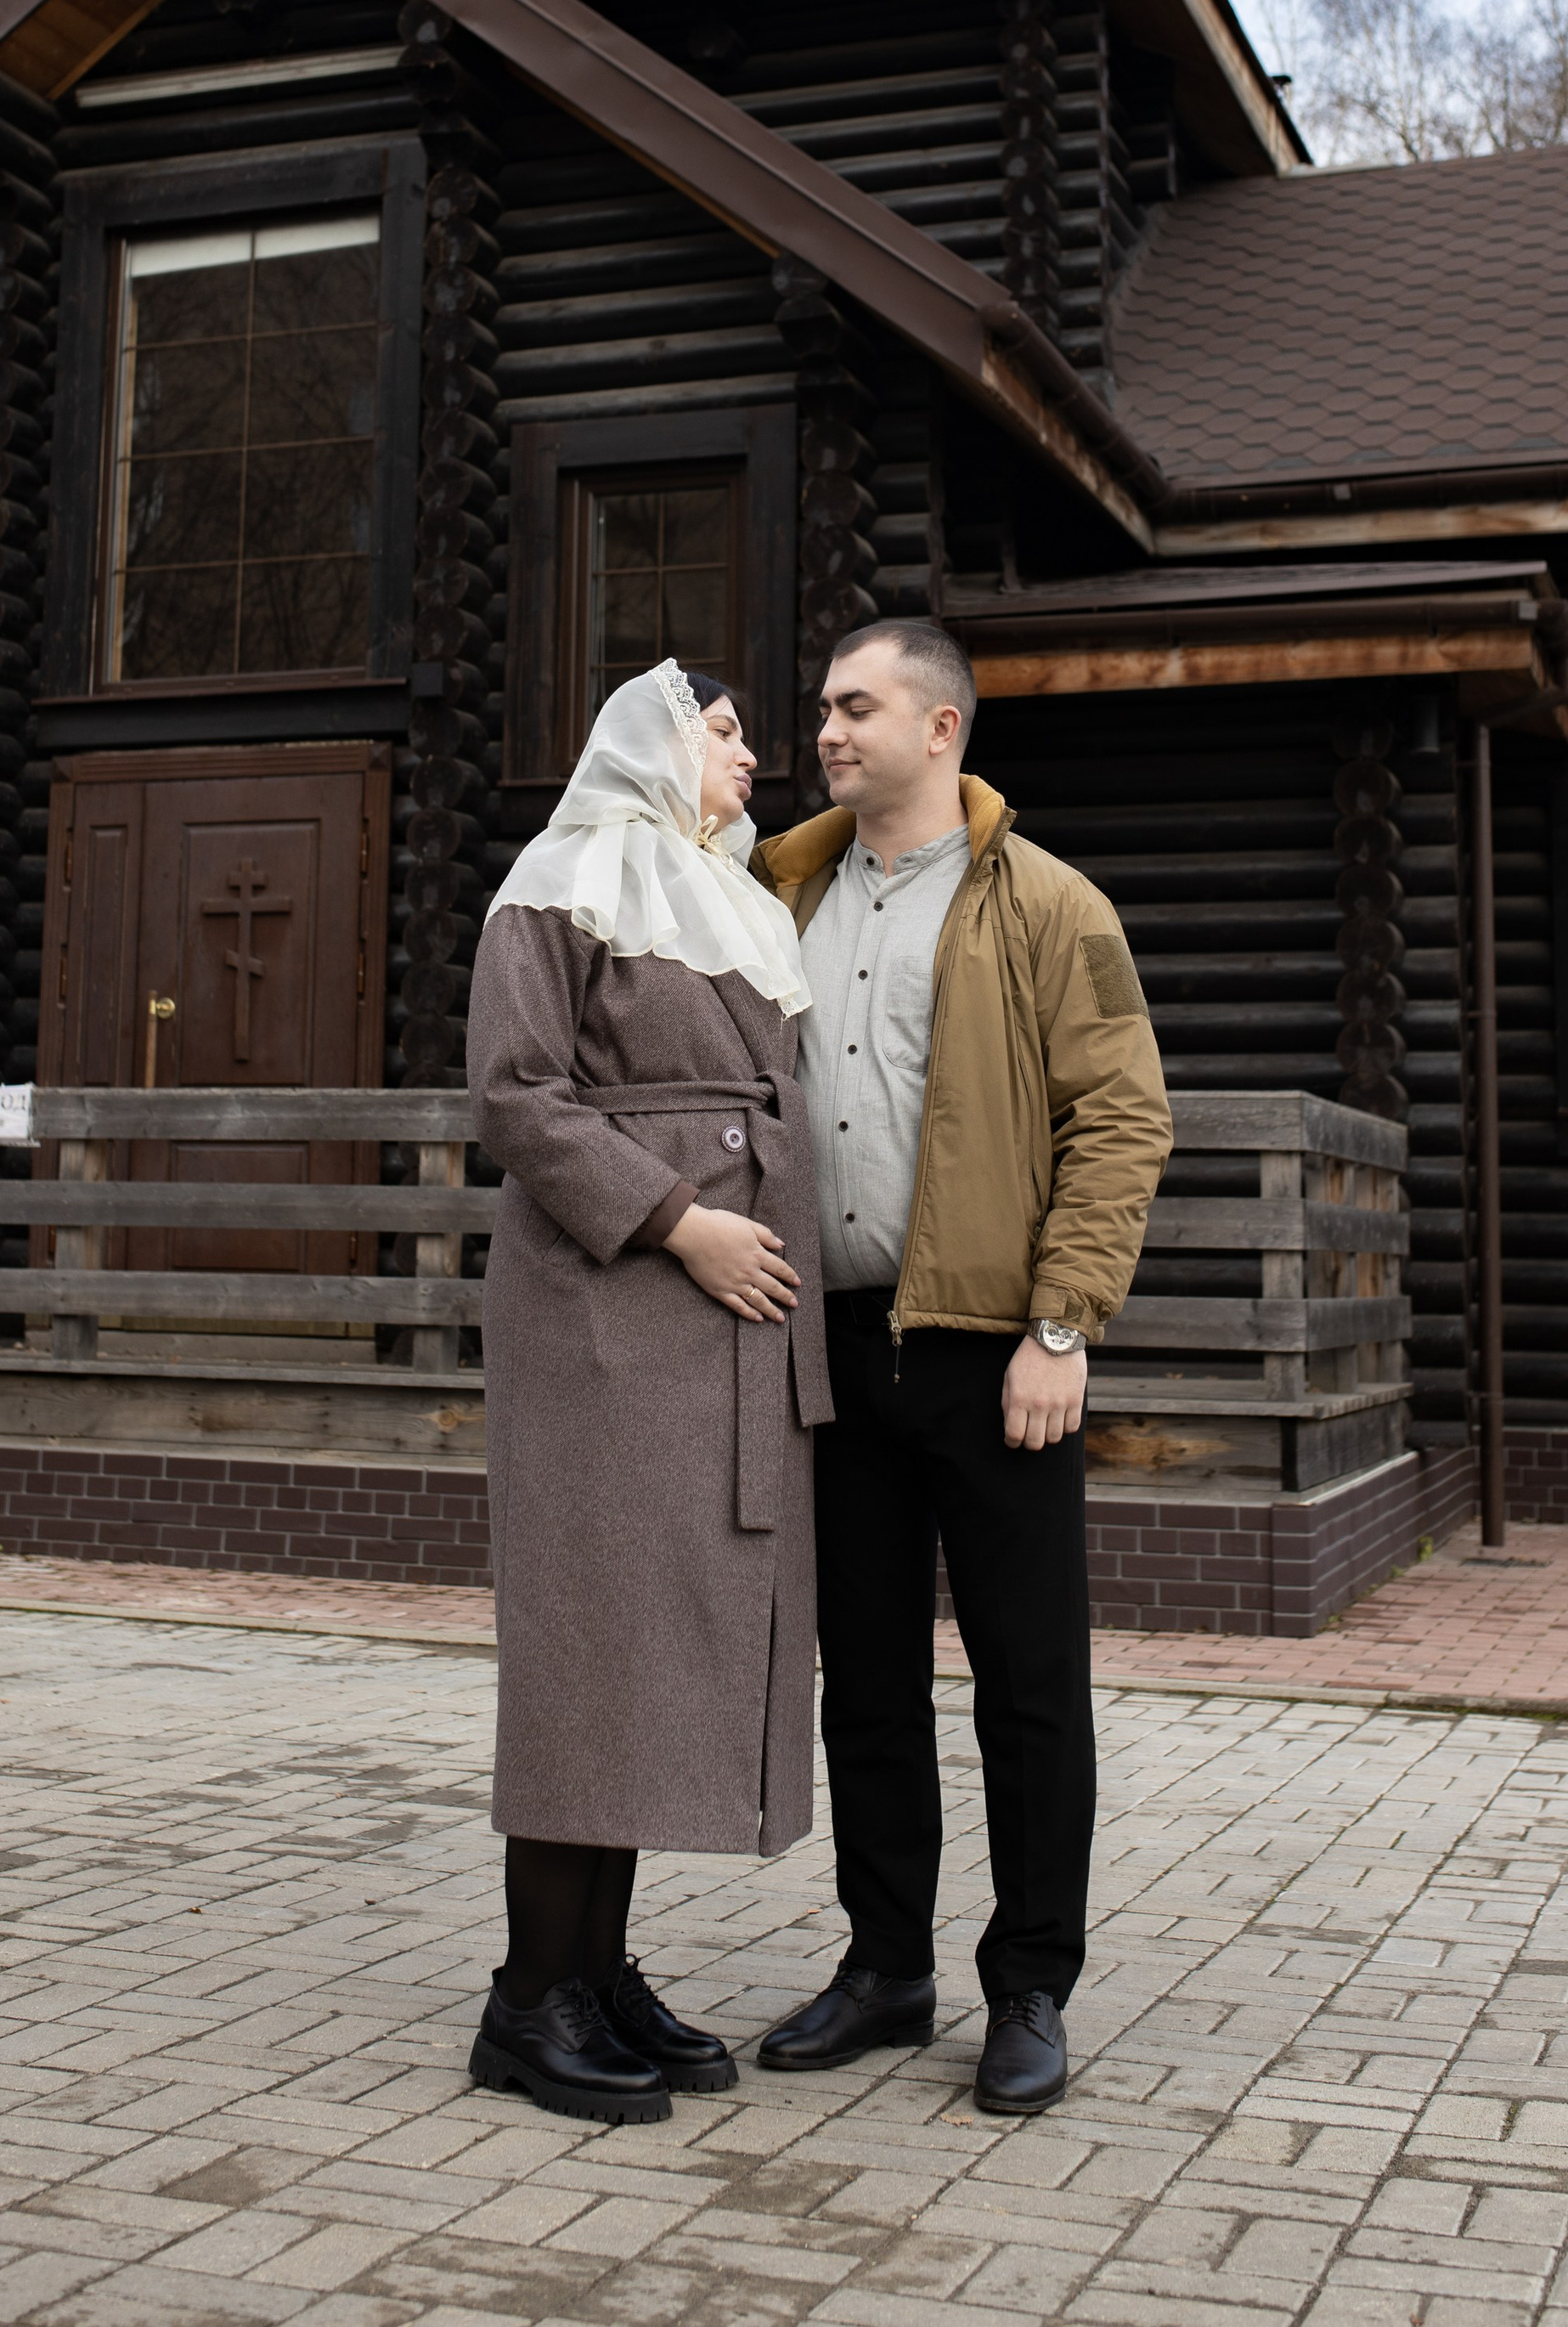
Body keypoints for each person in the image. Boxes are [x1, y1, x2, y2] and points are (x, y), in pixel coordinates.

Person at [749, 617, 1171, 2116]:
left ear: (941, 728)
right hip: (830, 1349)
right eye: (823, 706)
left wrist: (1063, 1327)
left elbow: (1120, 1120)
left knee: (1029, 1687)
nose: (827, 730)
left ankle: (1031, 1986)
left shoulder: (1050, 904)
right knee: (864, 1681)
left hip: (996, 1360)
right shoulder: (775, 894)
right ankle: (887, 1969)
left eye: (856, 706)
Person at [464, 658, 830, 2124]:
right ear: (653, 740)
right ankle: (526, 2001)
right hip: (606, 1321)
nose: (750, 757)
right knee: (592, 1647)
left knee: (650, 1648)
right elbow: (514, 1095)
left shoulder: (732, 899)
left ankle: (595, 1972)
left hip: (718, 1332)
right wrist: (681, 1221)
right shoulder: (560, 880)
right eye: (722, 732)